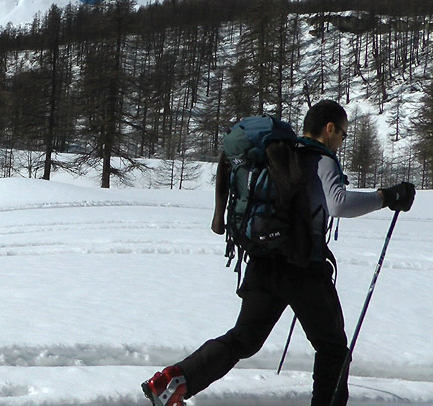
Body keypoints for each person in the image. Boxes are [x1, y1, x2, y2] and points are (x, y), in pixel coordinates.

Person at [141, 100, 416, 406]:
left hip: (263, 261)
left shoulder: (283, 155)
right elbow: (338, 204)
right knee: (333, 348)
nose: (342, 140)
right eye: (343, 133)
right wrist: (386, 197)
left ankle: (174, 379)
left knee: (243, 340)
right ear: (329, 129)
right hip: (303, 270)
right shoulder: (320, 159)